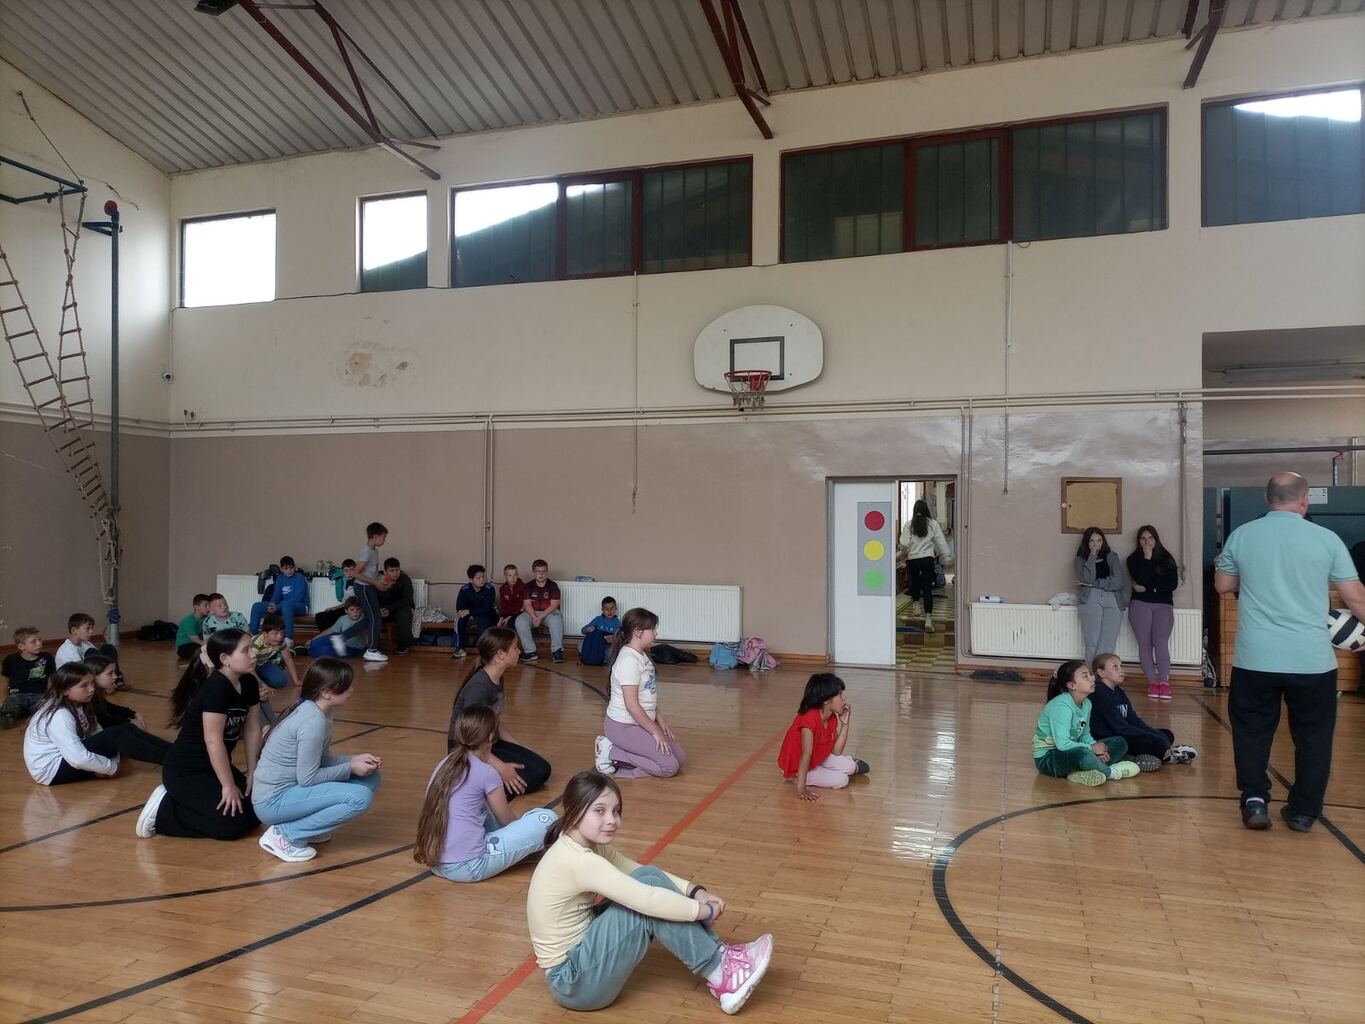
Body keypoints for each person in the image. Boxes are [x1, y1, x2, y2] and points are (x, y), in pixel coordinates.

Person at [527, 770, 774, 1014]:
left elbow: (638, 871)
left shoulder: (581, 844)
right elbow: (647, 899)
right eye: (599, 811)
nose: (612, 820)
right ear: (573, 810)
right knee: (645, 906)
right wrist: (703, 911)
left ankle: (719, 956)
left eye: (616, 811)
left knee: (648, 876)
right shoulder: (579, 860)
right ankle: (722, 975)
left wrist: (695, 891)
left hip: (580, 963)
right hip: (573, 983)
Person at [1214, 472, 1365, 832]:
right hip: (1311, 662)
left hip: (1255, 659)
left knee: (1251, 732)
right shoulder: (1327, 540)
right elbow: (1356, 598)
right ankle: (1303, 812)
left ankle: (1254, 800)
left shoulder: (1242, 535)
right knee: (1314, 738)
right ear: (1304, 500)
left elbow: (1223, 585)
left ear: (1267, 499)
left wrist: (1248, 568)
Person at [135, 629, 264, 841]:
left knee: (256, 812)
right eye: (246, 650)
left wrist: (253, 772)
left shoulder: (249, 682)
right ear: (225, 659)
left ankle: (192, 803)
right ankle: (163, 811)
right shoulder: (217, 688)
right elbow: (213, 740)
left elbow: (253, 729)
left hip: (215, 766)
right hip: (187, 770)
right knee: (232, 826)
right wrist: (228, 785)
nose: (253, 654)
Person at [252, 657, 382, 862]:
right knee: (360, 797)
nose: (352, 689)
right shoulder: (313, 721)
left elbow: (317, 762)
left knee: (370, 777)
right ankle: (286, 835)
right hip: (273, 802)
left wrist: (354, 760)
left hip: (291, 790)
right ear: (326, 692)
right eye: (346, 686)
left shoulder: (320, 712)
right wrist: (350, 767)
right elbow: (308, 778)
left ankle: (310, 828)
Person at [418, 705, 557, 883]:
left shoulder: (445, 763)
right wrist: (524, 831)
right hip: (469, 866)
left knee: (481, 808)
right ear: (491, 737)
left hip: (436, 863)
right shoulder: (487, 772)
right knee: (547, 818)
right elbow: (507, 821)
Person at [23, 664, 170, 786]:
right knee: (115, 735)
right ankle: (173, 761)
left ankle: (174, 752)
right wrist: (111, 768)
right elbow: (77, 758)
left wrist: (110, 760)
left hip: (67, 758)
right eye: (84, 685)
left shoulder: (79, 703)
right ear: (65, 690)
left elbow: (97, 734)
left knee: (126, 728)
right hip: (51, 770)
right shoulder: (59, 714)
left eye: (92, 683)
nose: (92, 689)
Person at [446, 627, 552, 796]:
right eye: (515, 647)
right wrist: (501, 768)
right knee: (532, 777)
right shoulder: (479, 687)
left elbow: (494, 720)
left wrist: (519, 746)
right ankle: (476, 784)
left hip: (488, 743)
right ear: (501, 654)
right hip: (469, 749)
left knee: (543, 768)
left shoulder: (497, 677)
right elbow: (470, 739)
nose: (519, 651)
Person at [593, 608, 685, 780]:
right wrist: (655, 731)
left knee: (680, 759)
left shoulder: (641, 655)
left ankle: (626, 757)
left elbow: (647, 694)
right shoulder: (628, 660)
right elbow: (632, 706)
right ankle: (611, 752)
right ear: (638, 632)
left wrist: (660, 720)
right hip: (624, 726)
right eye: (653, 629)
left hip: (641, 723)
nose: (656, 633)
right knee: (669, 767)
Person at [1032, 660, 1140, 787]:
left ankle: (1083, 771)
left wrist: (1096, 748)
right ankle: (1110, 772)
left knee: (1119, 742)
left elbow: (1084, 734)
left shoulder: (1087, 703)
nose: (1092, 678)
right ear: (1072, 685)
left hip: (1074, 748)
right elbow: (1062, 744)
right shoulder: (1061, 706)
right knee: (1083, 754)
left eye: (1090, 674)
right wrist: (1092, 749)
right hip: (1048, 758)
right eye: (1085, 676)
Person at [1089, 654, 1197, 771]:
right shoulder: (1099, 694)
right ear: (1101, 673)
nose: (1121, 670)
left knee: (1167, 734)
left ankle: (1162, 753)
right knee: (1153, 741)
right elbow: (1120, 728)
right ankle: (1166, 755)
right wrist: (1155, 738)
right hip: (1112, 739)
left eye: (1121, 666)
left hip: (1124, 733)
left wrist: (1156, 735)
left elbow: (1134, 720)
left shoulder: (1118, 691)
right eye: (1115, 667)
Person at [776, 673, 870, 800]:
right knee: (842, 780)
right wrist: (801, 789)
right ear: (826, 700)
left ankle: (847, 764)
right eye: (839, 695)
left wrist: (845, 724)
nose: (843, 698)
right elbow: (805, 755)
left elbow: (836, 751)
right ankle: (796, 778)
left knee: (850, 767)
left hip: (817, 756)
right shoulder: (809, 719)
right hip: (796, 766)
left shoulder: (831, 716)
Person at [1126, 525, 1180, 700]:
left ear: (1156, 539)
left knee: (1160, 641)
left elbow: (1171, 584)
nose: (1147, 542)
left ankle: (1164, 682)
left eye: (1150, 538)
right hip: (1140, 604)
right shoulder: (1133, 559)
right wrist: (1147, 559)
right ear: (1138, 541)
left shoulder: (1167, 558)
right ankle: (1152, 682)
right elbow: (1140, 578)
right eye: (1143, 539)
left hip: (1163, 605)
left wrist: (1150, 588)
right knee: (1145, 644)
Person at [1075, 527, 1127, 665]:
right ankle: (1091, 673)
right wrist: (1092, 556)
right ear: (1086, 543)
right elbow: (1086, 578)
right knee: (1092, 640)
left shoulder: (1112, 556)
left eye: (1099, 540)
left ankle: (1104, 674)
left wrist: (1094, 584)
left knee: (1108, 641)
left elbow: (1118, 581)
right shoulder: (1080, 559)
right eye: (1092, 541)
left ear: (1103, 542)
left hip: (1112, 598)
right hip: (1091, 598)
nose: (1095, 544)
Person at [900, 499, 951, 633]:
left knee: (915, 583)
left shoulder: (909, 525)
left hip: (913, 559)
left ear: (914, 511)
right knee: (927, 589)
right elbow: (940, 541)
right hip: (927, 559)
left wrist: (905, 551)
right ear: (926, 510)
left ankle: (916, 604)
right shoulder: (933, 524)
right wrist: (945, 554)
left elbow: (904, 544)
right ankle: (928, 620)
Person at [252, 612, 302, 724]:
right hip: (250, 667)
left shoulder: (280, 641)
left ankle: (259, 679)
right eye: (275, 633)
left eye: (282, 633)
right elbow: (249, 667)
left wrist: (296, 680)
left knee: (281, 681)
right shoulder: (256, 643)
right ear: (265, 634)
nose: (280, 636)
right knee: (253, 684)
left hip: (264, 664)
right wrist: (263, 685)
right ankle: (258, 680)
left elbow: (288, 659)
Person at [2, 626, 56, 728]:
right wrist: (5, 699)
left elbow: (52, 678)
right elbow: (5, 680)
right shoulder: (10, 660)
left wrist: (50, 695)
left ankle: (34, 718)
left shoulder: (47, 657)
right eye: (33, 642)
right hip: (17, 694)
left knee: (46, 712)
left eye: (40, 640)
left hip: (39, 694)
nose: (39, 643)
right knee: (8, 710)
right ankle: (8, 716)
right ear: (21, 646)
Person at [249, 557, 311, 646]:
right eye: (286, 568)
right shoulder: (280, 578)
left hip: (301, 606)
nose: (289, 571)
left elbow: (297, 599)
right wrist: (272, 605)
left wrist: (277, 607)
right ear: (282, 569)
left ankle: (288, 639)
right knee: (256, 606)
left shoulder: (300, 578)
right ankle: (253, 637)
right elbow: (276, 596)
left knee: (287, 606)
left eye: (291, 568)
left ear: (294, 567)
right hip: (283, 606)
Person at [351, 521, 389, 663]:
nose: (384, 540)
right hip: (363, 587)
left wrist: (382, 581)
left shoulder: (375, 551)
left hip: (369, 587)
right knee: (375, 617)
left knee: (371, 618)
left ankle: (342, 637)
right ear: (375, 536)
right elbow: (356, 573)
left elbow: (372, 573)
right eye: (383, 537)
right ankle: (372, 650)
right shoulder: (366, 551)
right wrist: (375, 583)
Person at [516, 559, 565, 663]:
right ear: (533, 572)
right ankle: (530, 652)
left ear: (547, 572)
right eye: (538, 571)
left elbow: (554, 605)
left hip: (549, 612)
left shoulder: (553, 586)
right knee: (520, 621)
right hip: (532, 612)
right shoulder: (528, 586)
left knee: (557, 620)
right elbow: (527, 604)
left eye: (543, 571)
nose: (541, 574)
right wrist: (534, 617)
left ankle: (557, 651)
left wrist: (540, 617)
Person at [85, 653, 148, 730]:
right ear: (94, 676)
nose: (115, 676)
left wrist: (134, 714)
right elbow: (104, 720)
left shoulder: (96, 694)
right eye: (110, 673)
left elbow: (110, 708)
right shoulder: (89, 698)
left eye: (114, 672)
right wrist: (130, 723)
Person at [454, 564, 499, 659]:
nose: (482, 580)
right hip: (471, 614)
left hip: (488, 614)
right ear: (471, 580)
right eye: (478, 578)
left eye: (483, 577)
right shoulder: (464, 589)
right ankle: (460, 648)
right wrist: (467, 613)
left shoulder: (489, 589)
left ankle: (482, 649)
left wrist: (469, 611)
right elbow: (459, 608)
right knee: (459, 620)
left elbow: (486, 608)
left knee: (483, 619)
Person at [377, 557, 414, 656]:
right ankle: (374, 646)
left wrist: (390, 609)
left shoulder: (405, 579)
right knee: (373, 613)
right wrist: (379, 609)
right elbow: (373, 597)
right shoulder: (378, 579)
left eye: (397, 570)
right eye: (392, 570)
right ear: (385, 571)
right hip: (383, 609)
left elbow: (408, 599)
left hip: (398, 608)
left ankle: (404, 644)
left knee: (405, 613)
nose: (395, 573)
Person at [55, 612, 119, 669]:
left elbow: (98, 658)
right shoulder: (67, 649)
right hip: (76, 676)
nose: (91, 631)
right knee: (91, 652)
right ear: (74, 630)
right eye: (88, 628)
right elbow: (78, 671)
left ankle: (114, 674)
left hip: (90, 673)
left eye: (92, 628)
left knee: (108, 648)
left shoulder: (86, 644)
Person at [313, 560, 357, 634]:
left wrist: (335, 608)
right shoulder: (348, 582)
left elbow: (349, 603)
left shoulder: (357, 583)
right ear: (343, 572)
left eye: (351, 570)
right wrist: (334, 608)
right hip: (345, 608)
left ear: (356, 570)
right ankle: (328, 636)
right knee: (321, 616)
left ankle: (329, 636)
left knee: (321, 617)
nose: (349, 573)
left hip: (351, 609)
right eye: (346, 571)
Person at [579, 597, 622, 667]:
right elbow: (583, 631)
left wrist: (613, 638)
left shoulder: (618, 623)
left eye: (612, 608)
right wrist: (588, 629)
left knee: (612, 652)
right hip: (596, 646)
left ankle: (601, 659)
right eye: (606, 609)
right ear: (602, 610)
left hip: (607, 647)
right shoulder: (598, 619)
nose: (609, 611)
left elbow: (622, 637)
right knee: (580, 645)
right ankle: (593, 658)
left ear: (616, 609)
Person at [176, 594, 210, 660]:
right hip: (184, 646)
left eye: (209, 605)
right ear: (196, 608)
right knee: (202, 650)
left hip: (197, 644)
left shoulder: (206, 619)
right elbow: (194, 638)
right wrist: (206, 645)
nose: (208, 608)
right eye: (206, 605)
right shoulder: (189, 620)